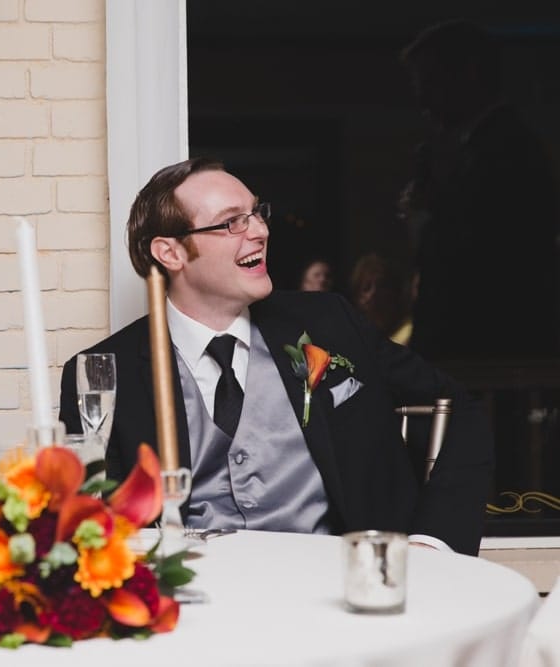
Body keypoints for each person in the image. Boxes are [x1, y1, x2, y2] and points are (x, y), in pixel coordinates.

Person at [58, 157, 493, 556]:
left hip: (337, 595)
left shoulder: (330, 324)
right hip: (193, 611)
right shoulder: (100, 372)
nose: (260, 231)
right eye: (231, 223)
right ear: (170, 252)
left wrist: (431, 542)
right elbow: (89, 521)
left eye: (256, 212)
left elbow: (461, 407)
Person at [399, 20, 560, 361]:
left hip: (488, 351)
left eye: (429, 81)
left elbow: (486, 256)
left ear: (468, 74)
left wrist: (429, 219)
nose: (422, 98)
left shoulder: (505, 150)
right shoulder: (477, 148)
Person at [347, 253, 412, 345]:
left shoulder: (408, 330)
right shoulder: (353, 334)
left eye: (381, 286)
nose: (373, 293)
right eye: (366, 287)